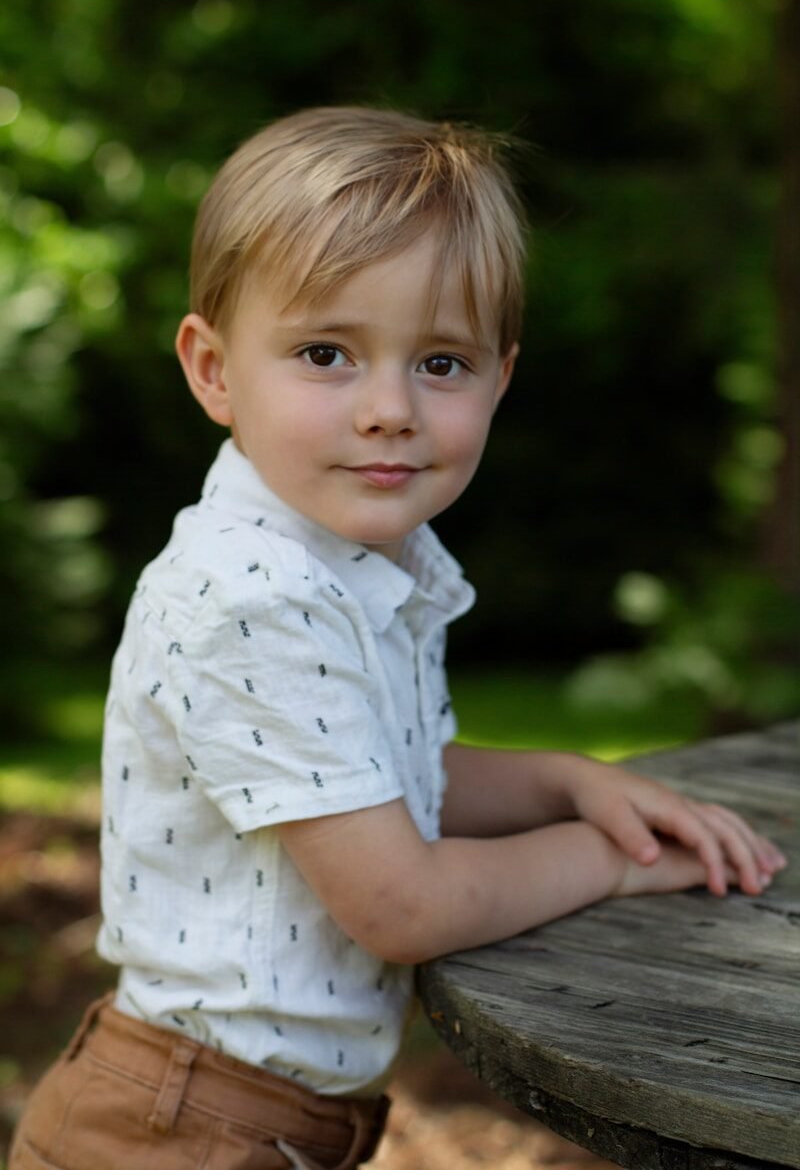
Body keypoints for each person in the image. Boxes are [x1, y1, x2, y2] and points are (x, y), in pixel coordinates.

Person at [10, 106, 786, 1170]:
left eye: (440, 363)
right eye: (326, 353)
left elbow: (375, 777)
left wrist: (565, 782)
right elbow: (401, 903)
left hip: (239, 1120)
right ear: (213, 369)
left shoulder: (350, 566)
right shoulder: (253, 597)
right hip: (182, 1135)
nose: (389, 408)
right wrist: (603, 862)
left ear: (499, 378)